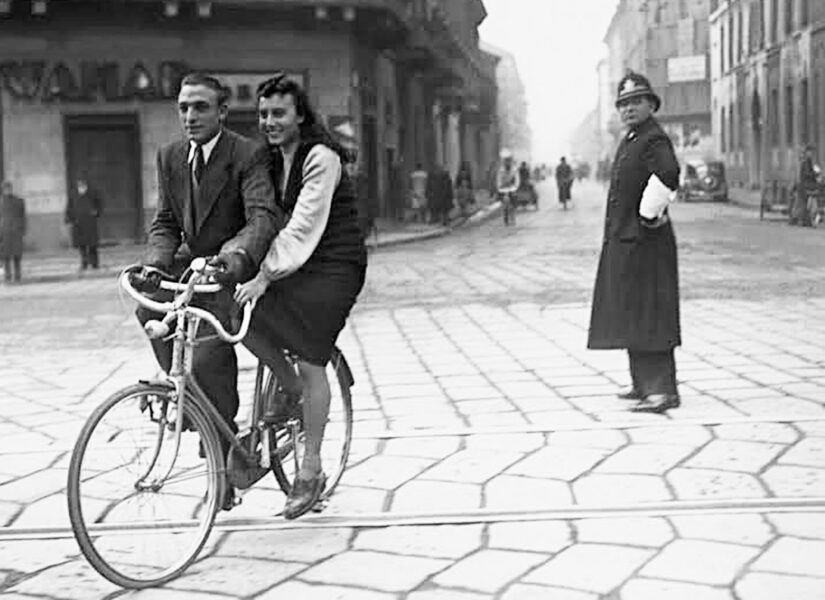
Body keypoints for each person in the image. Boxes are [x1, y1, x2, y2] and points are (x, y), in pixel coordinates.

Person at [136, 72, 281, 503]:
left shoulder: (248, 154)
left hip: (233, 271)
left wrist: (232, 259)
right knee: (148, 306)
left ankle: (221, 447)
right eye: (183, 107)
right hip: (193, 268)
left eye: (200, 107)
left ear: (222, 111)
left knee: (207, 357)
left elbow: (260, 218)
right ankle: (190, 403)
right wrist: (155, 264)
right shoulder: (170, 156)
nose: (190, 116)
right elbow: (166, 221)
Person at [234, 74, 367, 520]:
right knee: (237, 316)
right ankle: (289, 388)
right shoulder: (270, 160)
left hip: (334, 265)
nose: (269, 122)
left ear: (300, 116)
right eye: (263, 114)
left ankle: (310, 470)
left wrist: (264, 275)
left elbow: (303, 225)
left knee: (311, 359)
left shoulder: (321, 158)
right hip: (296, 263)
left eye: (279, 113)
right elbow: (258, 216)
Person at [587, 71, 681, 415]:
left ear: (651, 105)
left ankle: (662, 391)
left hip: (647, 242)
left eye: (636, 101)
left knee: (651, 313)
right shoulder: (633, 138)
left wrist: (648, 214)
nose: (628, 108)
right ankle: (642, 383)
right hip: (629, 242)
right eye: (623, 103)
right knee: (632, 313)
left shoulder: (654, 139)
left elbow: (668, 174)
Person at [65, 178, 103, 271]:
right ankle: (84, 262)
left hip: (90, 223)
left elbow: (99, 205)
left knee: (92, 245)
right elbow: (69, 207)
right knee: (81, 245)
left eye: (83, 184)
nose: (81, 186)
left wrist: (96, 212)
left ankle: (94, 263)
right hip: (78, 223)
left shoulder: (92, 193)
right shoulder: (73, 194)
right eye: (79, 185)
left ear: (86, 185)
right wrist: (69, 218)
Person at [0, 181, 26, 283]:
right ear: (3, 190)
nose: (7, 190)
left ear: (11, 189)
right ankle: (8, 275)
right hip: (5, 232)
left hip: (15, 231)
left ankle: (17, 275)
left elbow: (23, 216)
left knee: (17, 255)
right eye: (5, 189)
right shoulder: (1, 202)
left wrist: (23, 229)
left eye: (9, 188)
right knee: (5, 256)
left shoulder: (19, 201)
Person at [793, 145, 818, 227]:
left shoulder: (807, 161)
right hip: (806, 186)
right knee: (806, 203)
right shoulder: (807, 161)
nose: (811, 153)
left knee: (805, 204)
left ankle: (805, 220)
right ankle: (805, 220)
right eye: (810, 152)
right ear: (807, 152)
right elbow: (807, 174)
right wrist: (815, 174)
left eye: (812, 152)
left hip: (804, 186)